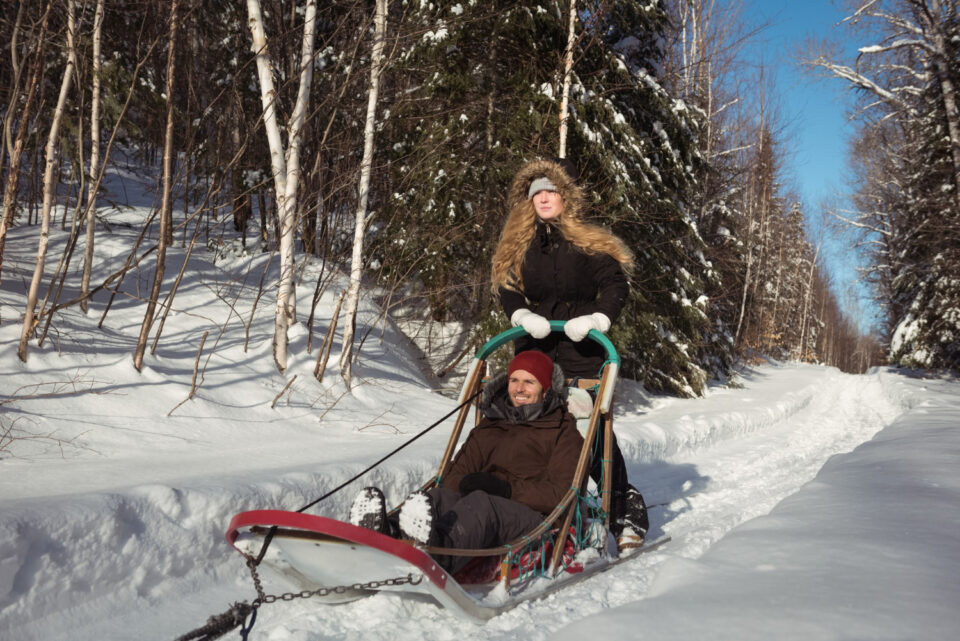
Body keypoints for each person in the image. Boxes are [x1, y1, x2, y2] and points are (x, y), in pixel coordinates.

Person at [490, 157, 649, 548]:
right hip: (535, 351)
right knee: (523, 428)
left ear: (566, 196)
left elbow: (615, 285)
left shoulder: (588, 243)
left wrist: (598, 318)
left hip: (582, 353)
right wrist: (520, 312)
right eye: (536, 192)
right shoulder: (519, 245)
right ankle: (521, 504)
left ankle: (621, 512)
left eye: (550, 190)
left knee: (587, 434)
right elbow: (506, 284)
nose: (543, 198)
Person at [349, 350, 583, 574]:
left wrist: (506, 489)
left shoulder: (563, 430)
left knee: (482, 504)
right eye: (514, 380)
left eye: (529, 382)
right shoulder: (491, 423)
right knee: (440, 497)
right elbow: (458, 472)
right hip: (486, 504)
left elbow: (560, 493)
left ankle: (438, 555)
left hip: (533, 516)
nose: (519, 388)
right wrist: (460, 487)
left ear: (546, 389)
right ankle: (386, 532)